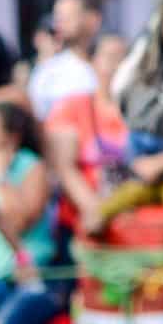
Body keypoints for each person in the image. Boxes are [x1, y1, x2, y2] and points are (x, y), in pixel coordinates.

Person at [45, 34, 129, 237]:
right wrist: (97, 210)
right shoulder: (71, 107)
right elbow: (65, 169)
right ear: (92, 62)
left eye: (125, 58)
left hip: (130, 223)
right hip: (82, 224)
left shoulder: (142, 112)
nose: (118, 65)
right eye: (110, 57)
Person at [0, 101, 60, 324]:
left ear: (12, 137)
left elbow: (19, 222)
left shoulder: (31, 166)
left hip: (30, 280)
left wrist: (1, 177)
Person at [28, 0, 101, 120]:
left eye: (68, 16)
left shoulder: (110, 61)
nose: (60, 23)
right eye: (57, 17)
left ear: (92, 19)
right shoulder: (48, 71)